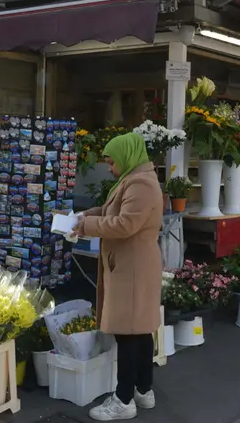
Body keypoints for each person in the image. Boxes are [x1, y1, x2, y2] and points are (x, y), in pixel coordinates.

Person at [72, 132, 164, 421]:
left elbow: (125, 224)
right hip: (131, 264)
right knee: (140, 329)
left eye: (111, 162)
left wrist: (86, 226)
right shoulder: (134, 179)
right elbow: (113, 210)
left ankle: (123, 399)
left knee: (128, 332)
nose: (109, 168)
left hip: (132, 267)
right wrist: (84, 216)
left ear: (125, 156)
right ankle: (143, 389)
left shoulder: (141, 184)